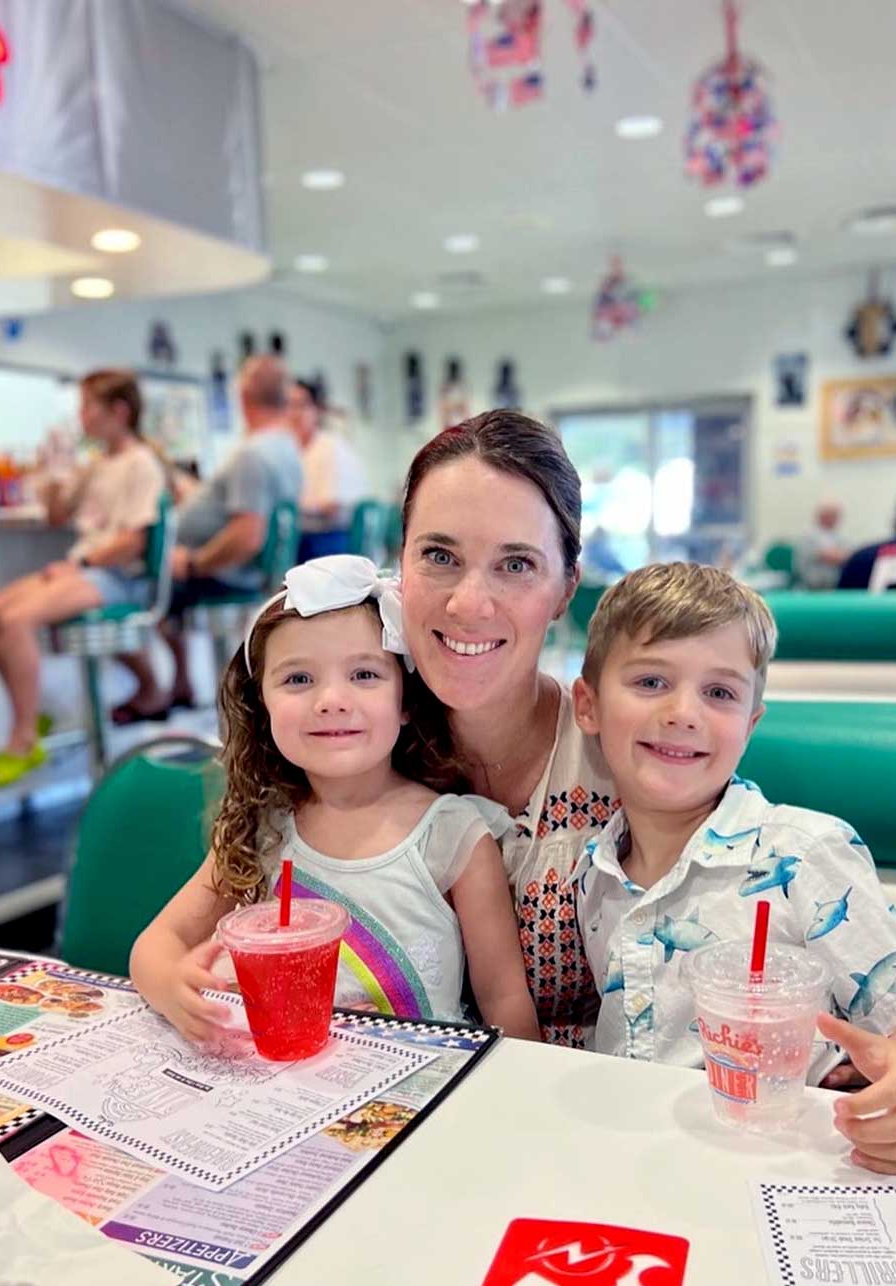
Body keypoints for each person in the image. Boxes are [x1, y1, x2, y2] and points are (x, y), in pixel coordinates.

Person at [571, 563, 896, 1175]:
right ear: (588, 705)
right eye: (651, 681)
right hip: (637, 1172)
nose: (684, 712)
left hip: (784, 1170)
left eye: (720, 693)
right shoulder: (591, 874)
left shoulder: (807, 854)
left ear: (750, 723)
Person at [129, 554, 540, 1044]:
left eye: (364, 675)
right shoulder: (262, 828)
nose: (331, 700)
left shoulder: (453, 836)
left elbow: (505, 1001)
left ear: (406, 700)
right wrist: (172, 985)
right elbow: (155, 945)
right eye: (298, 679)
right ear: (261, 705)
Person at [399, 410, 618, 1047]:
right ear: (400, 566)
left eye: (516, 565)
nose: (470, 603)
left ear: (564, 590)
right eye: (440, 555)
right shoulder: (350, 741)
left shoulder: (628, 753)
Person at [0, 370, 166, 789]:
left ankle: (23, 738)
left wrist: (81, 564)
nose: (80, 416)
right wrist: (55, 473)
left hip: (117, 577)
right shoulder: (97, 464)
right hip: (88, 566)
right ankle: (34, 714)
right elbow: (59, 515)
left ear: (118, 411)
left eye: (86, 406)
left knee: (15, 622)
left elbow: (135, 541)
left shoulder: (141, 464)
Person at [110, 355, 303, 723]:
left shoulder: (254, 453)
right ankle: (180, 683)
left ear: (243, 396)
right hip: (245, 573)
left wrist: (194, 563)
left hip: (227, 575)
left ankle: (152, 691)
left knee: (123, 588)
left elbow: (248, 534)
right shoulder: (285, 448)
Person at [286, 379, 369, 562]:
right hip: (297, 537)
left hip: (329, 538)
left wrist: (294, 509)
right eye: (288, 405)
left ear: (317, 409)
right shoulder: (287, 451)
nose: (294, 413)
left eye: (301, 404)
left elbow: (331, 506)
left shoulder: (331, 447)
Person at [795, 500, 849, 590]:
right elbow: (827, 556)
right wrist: (837, 555)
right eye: (832, 515)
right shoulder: (809, 536)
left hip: (834, 587)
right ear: (822, 515)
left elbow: (848, 556)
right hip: (811, 588)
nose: (835, 518)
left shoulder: (839, 537)